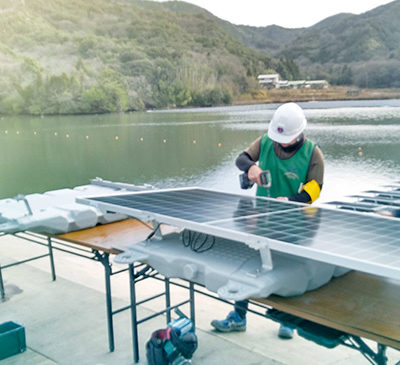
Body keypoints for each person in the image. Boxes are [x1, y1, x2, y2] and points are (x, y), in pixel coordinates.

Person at [210, 102, 324, 339]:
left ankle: (287, 320)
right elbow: (241, 159)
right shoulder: (265, 143)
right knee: (247, 266)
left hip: (293, 220)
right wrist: (251, 169)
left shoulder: (313, 152)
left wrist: (292, 200)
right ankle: (238, 316)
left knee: (288, 270)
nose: (281, 143)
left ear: (299, 133)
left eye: (287, 139)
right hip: (260, 216)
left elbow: (315, 188)